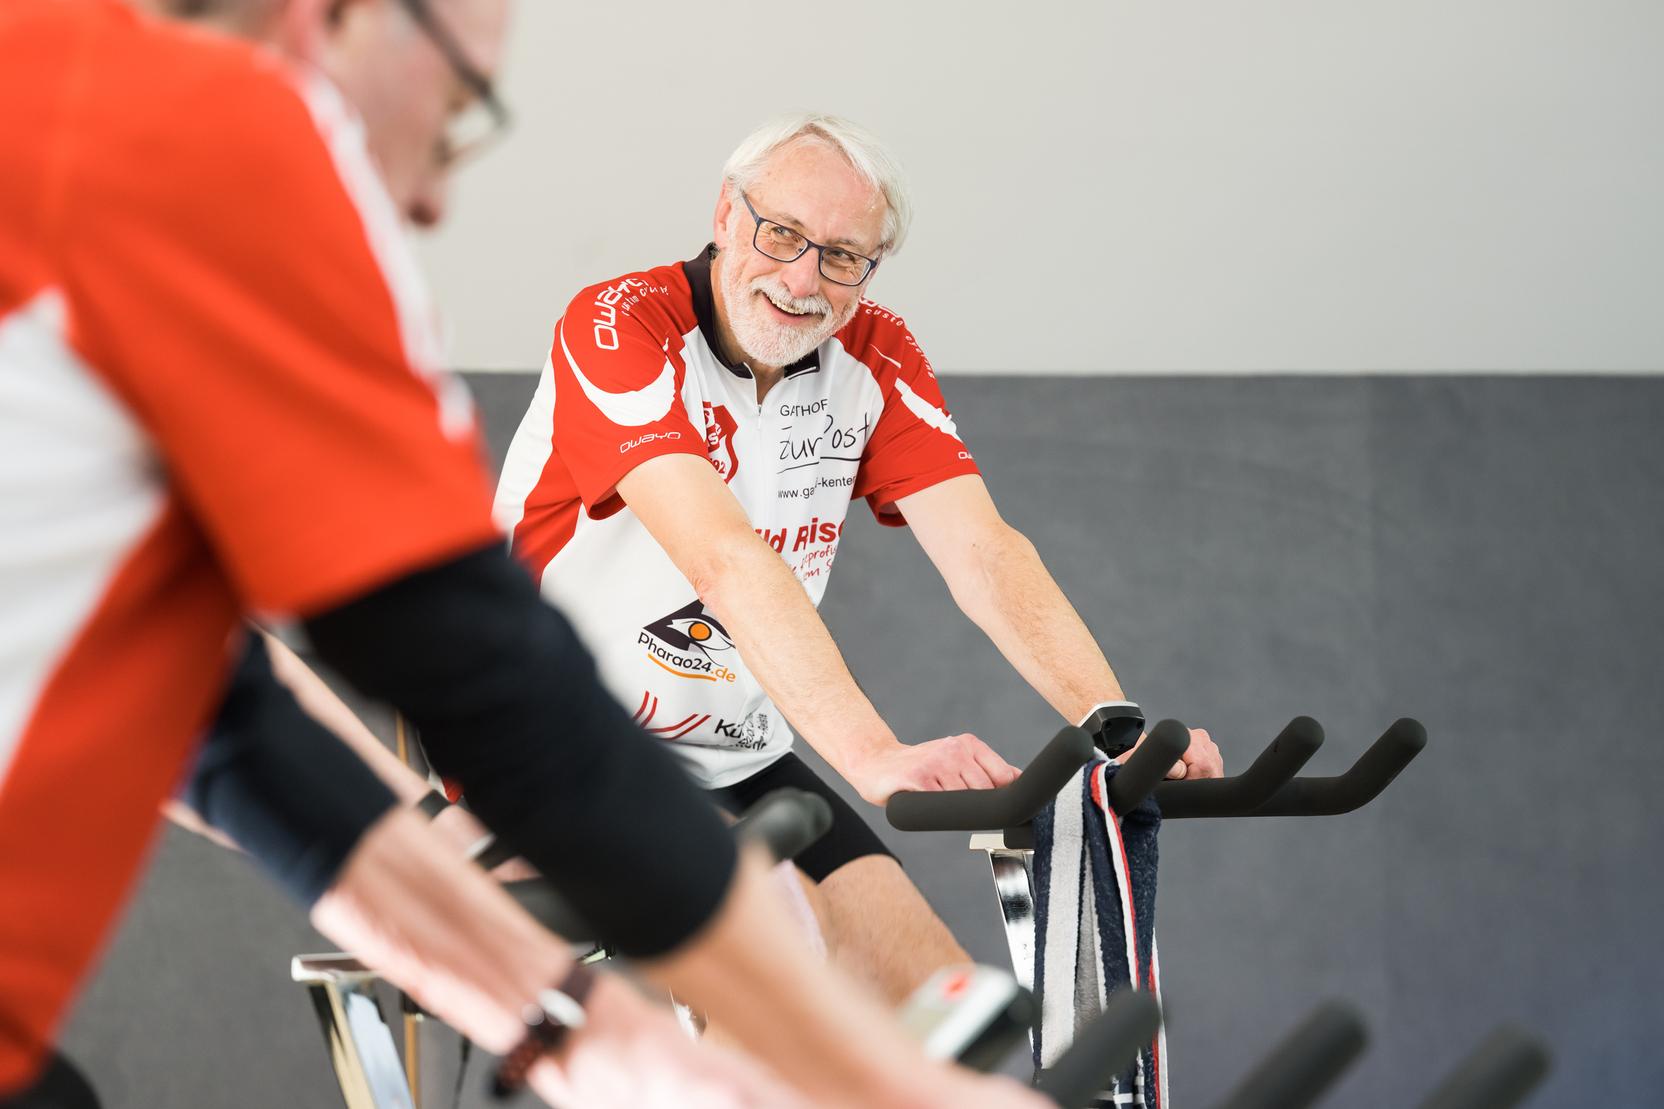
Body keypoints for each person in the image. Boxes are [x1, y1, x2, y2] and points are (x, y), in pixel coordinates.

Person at [0, 4, 1041, 1107]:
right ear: (334, 18)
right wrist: (847, 1067)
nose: (432, 195)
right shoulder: (204, 131)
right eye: (459, 107)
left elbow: (215, 710)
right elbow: (487, 679)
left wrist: (566, 1025)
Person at [495, 112, 1227, 1003]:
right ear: (727, 214)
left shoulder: (874, 349)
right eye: (783, 234)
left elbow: (984, 550)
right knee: (779, 980)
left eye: (843, 255)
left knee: (942, 1007)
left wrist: (1113, 727)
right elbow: (724, 558)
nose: (804, 278)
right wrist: (874, 756)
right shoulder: (619, 326)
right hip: (553, 742)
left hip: (735, 756)